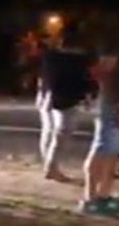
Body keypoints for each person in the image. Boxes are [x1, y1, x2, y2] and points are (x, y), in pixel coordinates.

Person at [80, 40, 119, 215]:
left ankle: (103, 196)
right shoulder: (116, 40)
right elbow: (102, 74)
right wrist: (117, 107)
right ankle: (90, 199)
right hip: (115, 104)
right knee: (102, 149)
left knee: (111, 152)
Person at [38, 24, 92, 181]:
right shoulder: (78, 60)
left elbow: (45, 76)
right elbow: (82, 81)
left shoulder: (50, 56)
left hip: (46, 96)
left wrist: (45, 95)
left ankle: (48, 164)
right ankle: (51, 167)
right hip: (65, 99)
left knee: (48, 131)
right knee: (62, 134)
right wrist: (86, 96)